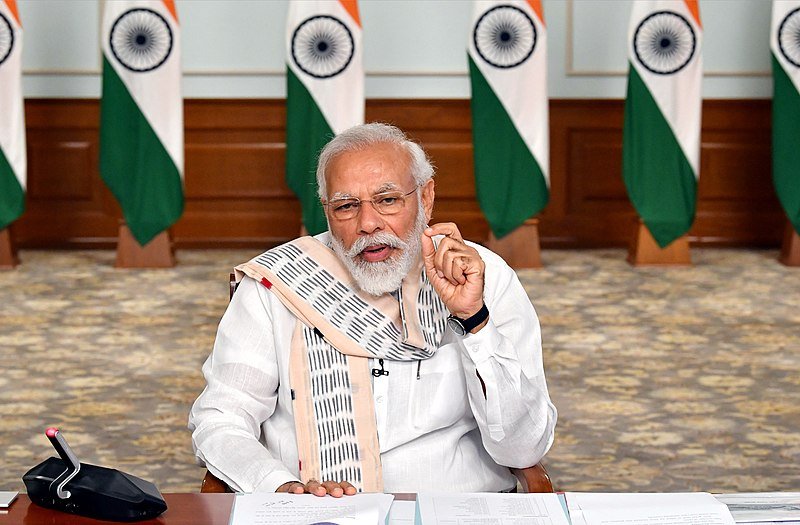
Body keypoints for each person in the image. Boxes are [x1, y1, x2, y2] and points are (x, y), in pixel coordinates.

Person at [188, 123, 556, 496]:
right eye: (346, 206)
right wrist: (279, 488)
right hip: (313, 513)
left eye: (388, 200)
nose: (368, 224)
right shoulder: (277, 285)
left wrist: (474, 320)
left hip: (458, 510)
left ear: (426, 198)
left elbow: (525, 447)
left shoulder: (483, 278)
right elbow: (222, 419)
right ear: (327, 212)